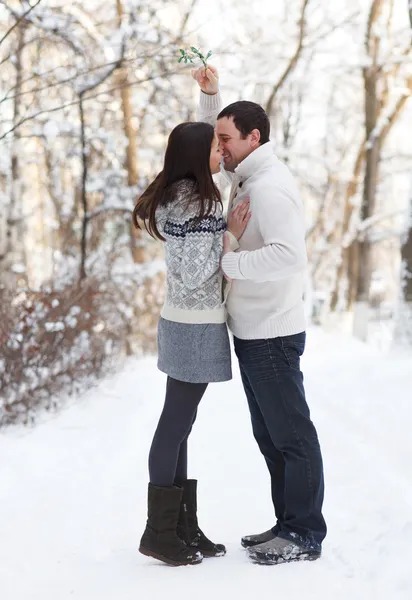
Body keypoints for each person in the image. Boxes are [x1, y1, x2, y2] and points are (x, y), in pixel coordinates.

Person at [191, 65, 327, 565]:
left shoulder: (268, 186)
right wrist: (211, 99)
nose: (220, 148)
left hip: (271, 331)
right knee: (271, 436)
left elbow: (290, 255)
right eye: (219, 140)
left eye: (227, 139)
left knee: (291, 436)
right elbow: (208, 147)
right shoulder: (248, 172)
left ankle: (304, 533)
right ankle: (287, 524)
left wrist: (228, 261)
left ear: (254, 137)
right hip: (254, 329)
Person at [133, 121, 250, 567]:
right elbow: (197, 271)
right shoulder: (200, 203)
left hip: (178, 320)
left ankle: (181, 525)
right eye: (215, 146)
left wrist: (212, 93)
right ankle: (160, 532)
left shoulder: (177, 194)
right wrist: (232, 236)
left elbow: (186, 265)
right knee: (174, 425)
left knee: (179, 425)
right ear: (199, 153)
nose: (222, 152)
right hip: (196, 324)